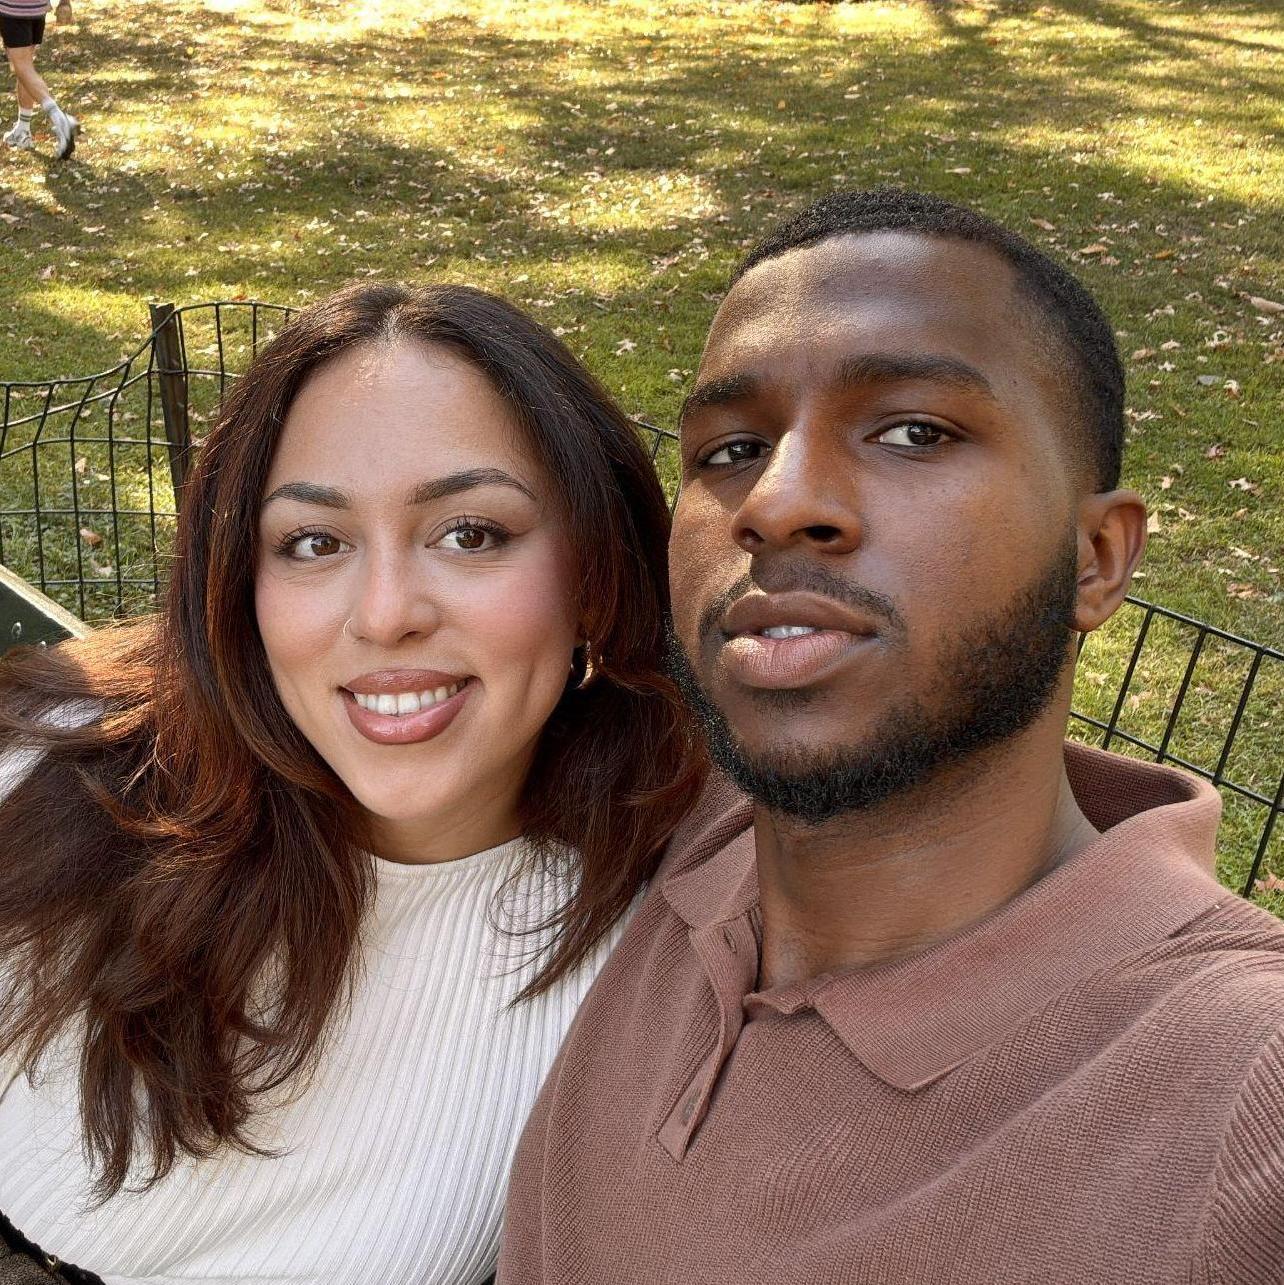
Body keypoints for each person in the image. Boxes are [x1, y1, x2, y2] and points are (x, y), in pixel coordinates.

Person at [498, 189, 1284, 1284]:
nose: (776, 503)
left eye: (915, 431)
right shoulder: (675, 835)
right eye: (731, 448)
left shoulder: (1241, 1093)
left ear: (1098, 559)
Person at [0, 283, 703, 1282]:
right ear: (241, 590)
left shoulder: (665, 955)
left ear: (597, 576)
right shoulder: (42, 777)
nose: (383, 614)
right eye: (314, 542)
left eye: (470, 533)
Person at [1, 0, 77, 157]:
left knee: (22, 66)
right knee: (25, 66)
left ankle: (60, 119)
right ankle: (23, 129)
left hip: (14, 9)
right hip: (37, 9)